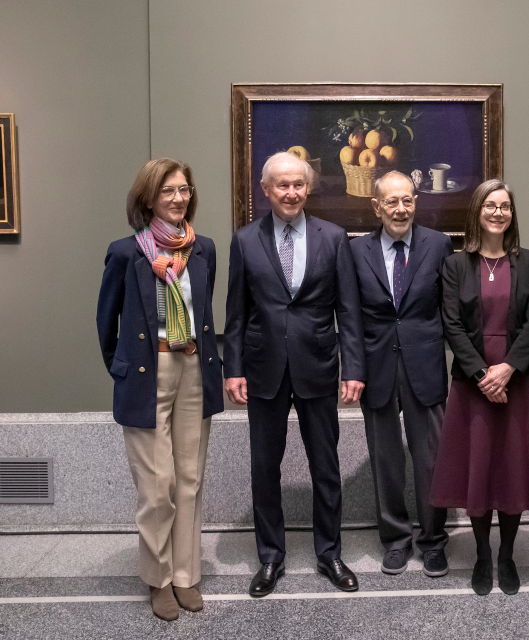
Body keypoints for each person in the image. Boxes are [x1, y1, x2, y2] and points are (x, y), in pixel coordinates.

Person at [223, 151, 366, 597]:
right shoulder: (245, 240)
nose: (291, 192)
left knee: (326, 466)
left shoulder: (334, 237)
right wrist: (233, 369)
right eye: (281, 185)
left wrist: (353, 367)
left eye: (298, 185)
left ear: (308, 188)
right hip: (263, 369)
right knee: (265, 467)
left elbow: (349, 309)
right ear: (266, 190)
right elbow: (237, 312)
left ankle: (330, 554)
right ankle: (270, 557)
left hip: (319, 366)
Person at [96, 158, 224, 621]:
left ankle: (186, 575)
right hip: (150, 373)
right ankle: (159, 579)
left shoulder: (204, 249)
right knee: (158, 486)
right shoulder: (126, 252)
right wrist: (123, 368)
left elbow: (205, 314)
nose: (177, 198)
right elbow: (105, 322)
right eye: (167, 191)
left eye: (184, 189)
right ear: (148, 198)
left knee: (189, 479)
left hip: (194, 368)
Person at [430, 178, 529, 596]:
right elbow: (451, 324)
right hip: (472, 382)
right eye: (490, 205)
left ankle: (507, 556)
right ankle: (483, 554)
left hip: (517, 382)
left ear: (511, 214)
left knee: (512, 468)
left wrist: (507, 370)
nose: (498, 212)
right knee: (479, 467)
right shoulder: (455, 264)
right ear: (477, 212)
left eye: (505, 206)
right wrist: (484, 374)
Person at [351, 171, 453, 577]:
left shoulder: (438, 244)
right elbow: (350, 316)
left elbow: (451, 310)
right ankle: (395, 539)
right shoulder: (356, 252)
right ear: (376, 206)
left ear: (416, 202)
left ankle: (433, 541)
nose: (400, 208)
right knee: (386, 460)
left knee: (431, 459)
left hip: (425, 366)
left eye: (407, 200)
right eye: (391, 201)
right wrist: (353, 370)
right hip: (376, 369)